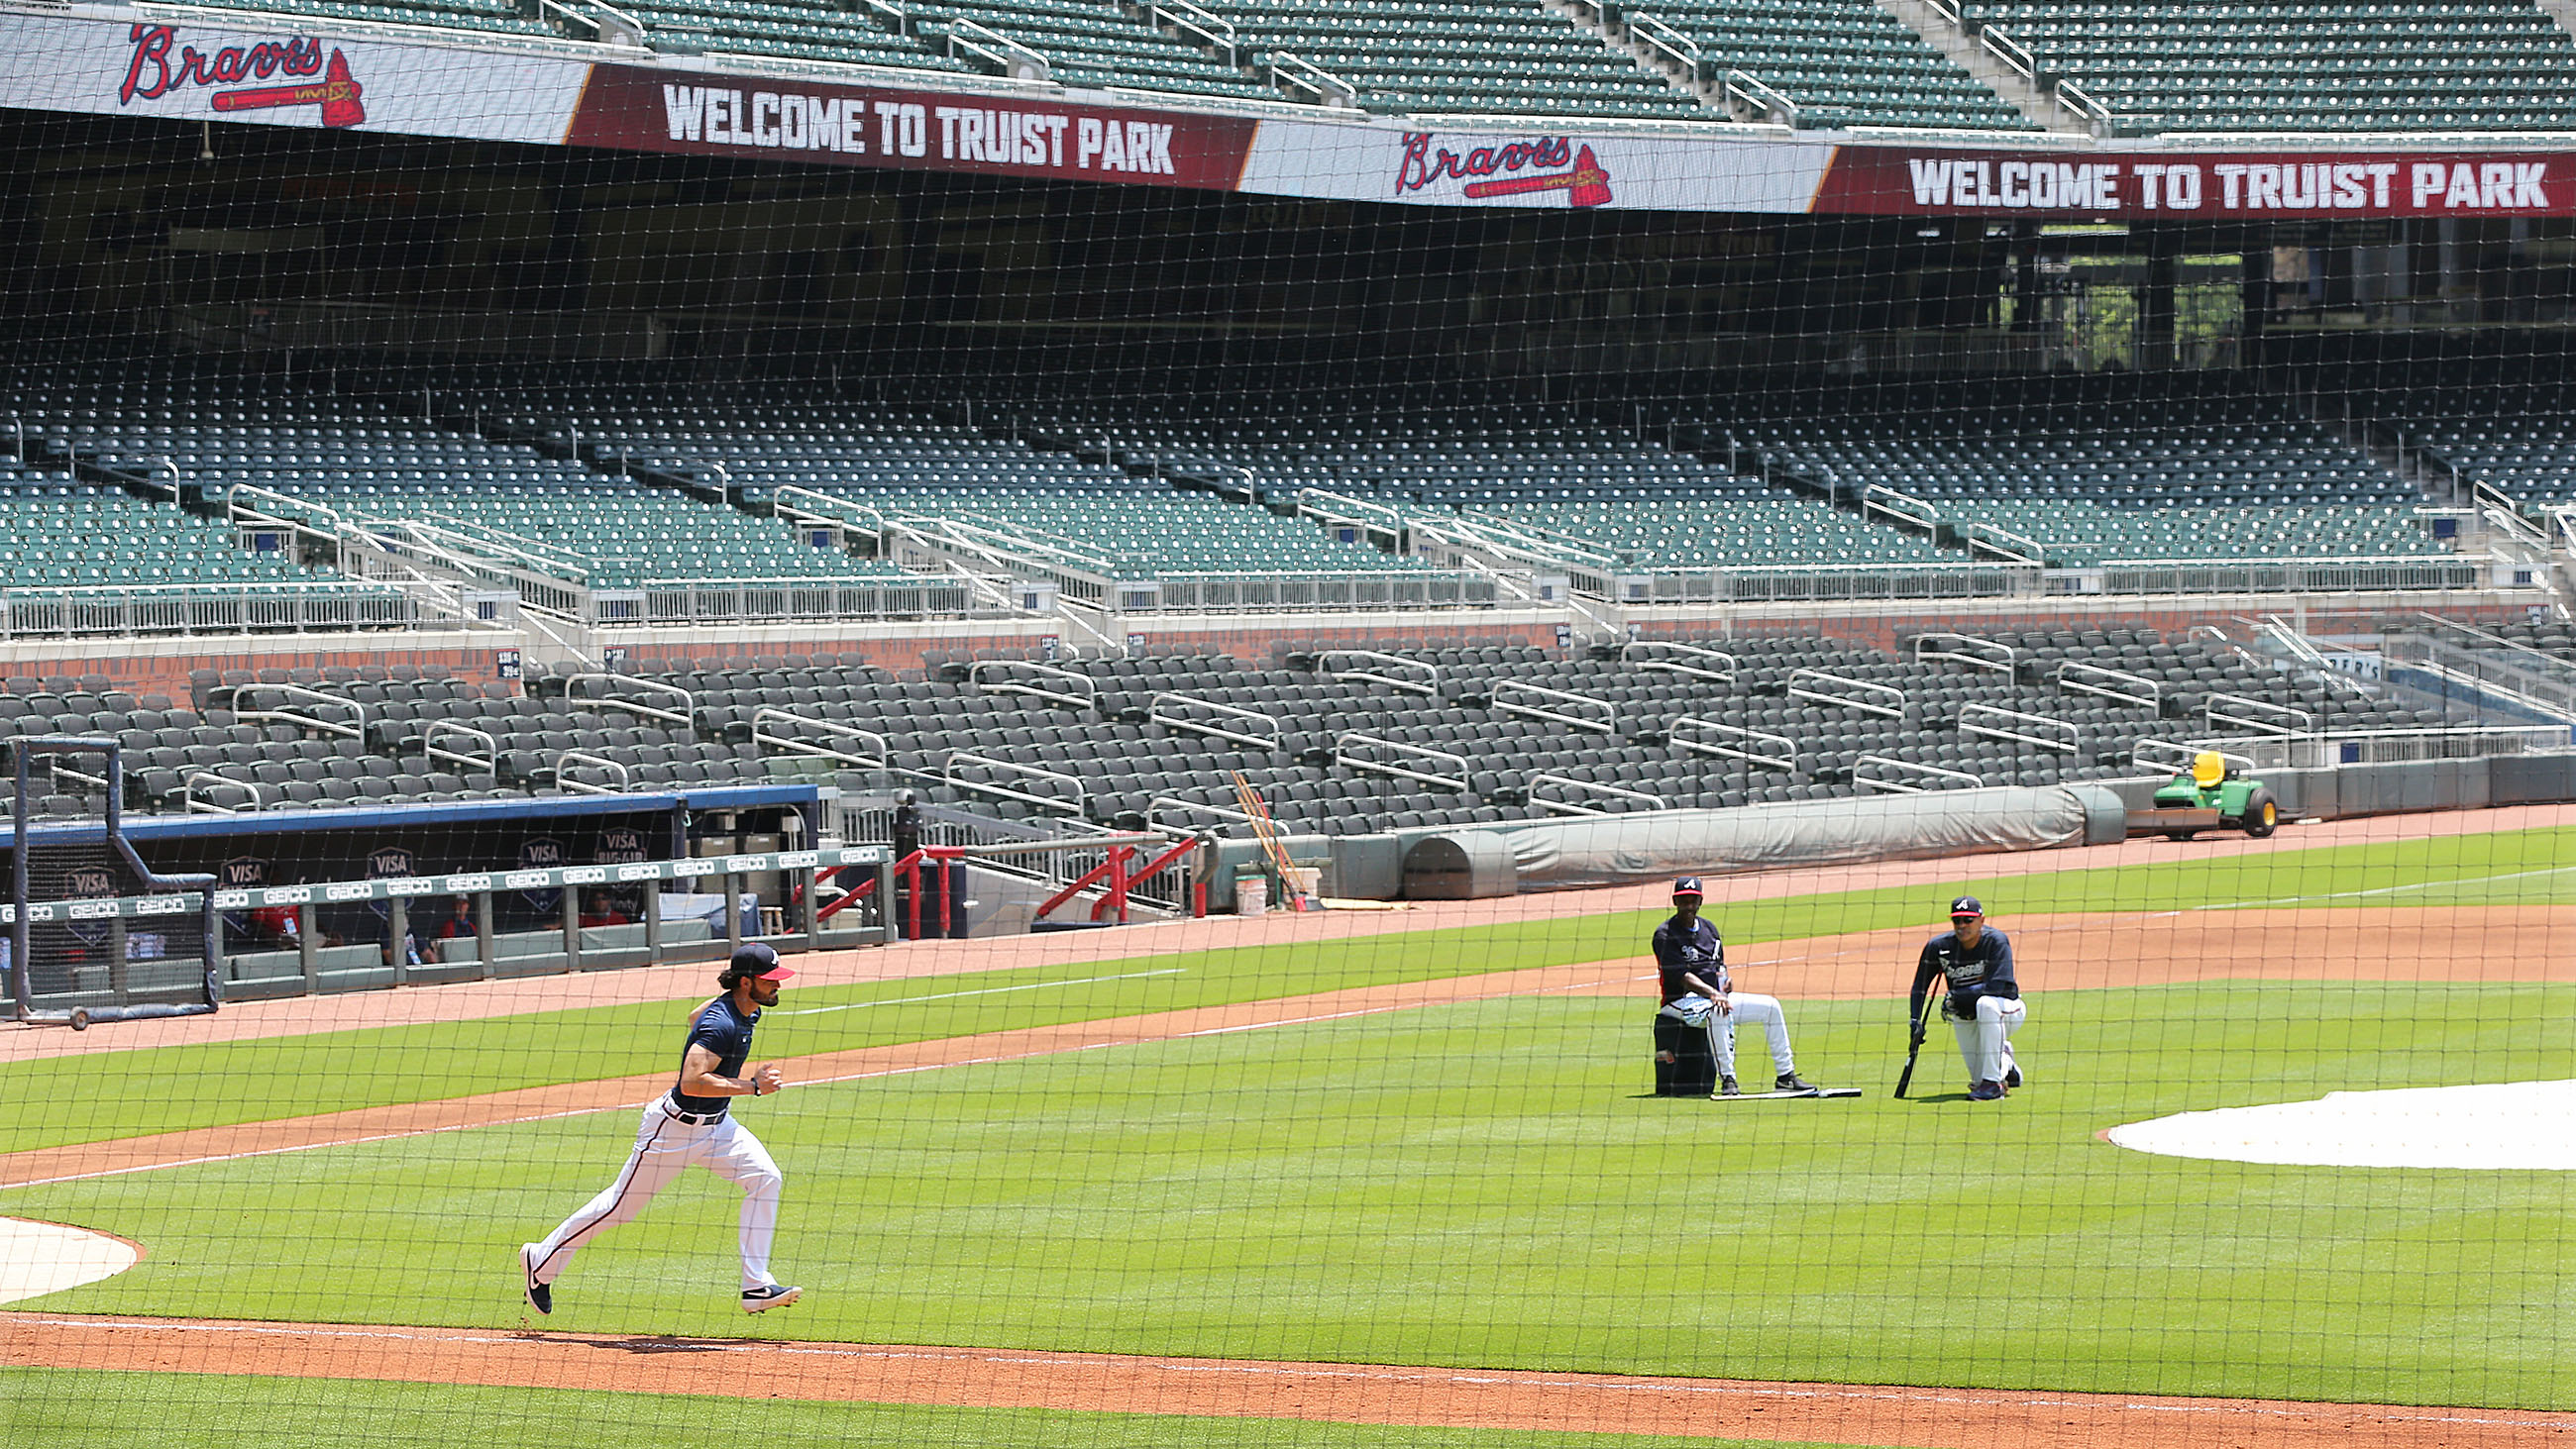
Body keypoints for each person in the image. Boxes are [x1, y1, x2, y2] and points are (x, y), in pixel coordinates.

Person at [520, 943, 805, 1315]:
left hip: (718, 1128)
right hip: (673, 1133)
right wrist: (751, 1087)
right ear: (747, 982)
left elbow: (692, 1017)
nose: (777, 986)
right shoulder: (722, 1024)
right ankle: (540, 1261)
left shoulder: (743, 1010)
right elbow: (691, 1081)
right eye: (769, 981)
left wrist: (723, 1001)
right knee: (618, 1208)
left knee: (766, 1178)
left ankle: (756, 1286)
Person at [1652, 876, 1811, 1097]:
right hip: (1678, 1002)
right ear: (1674, 901)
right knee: (1718, 1010)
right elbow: (1682, 976)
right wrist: (1714, 994)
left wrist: (1724, 982)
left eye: (1693, 900)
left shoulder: (1709, 929)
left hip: (1712, 997)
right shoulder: (1665, 934)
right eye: (1684, 900)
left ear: (1701, 901)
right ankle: (1728, 1079)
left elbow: (1718, 966)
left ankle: (1786, 1076)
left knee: (1771, 1007)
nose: (1688, 905)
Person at [1909, 895, 2026, 1102]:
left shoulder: (1996, 941)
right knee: (1977, 1079)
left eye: (1968, 920)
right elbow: (1920, 986)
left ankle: (1993, 1085)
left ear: (1981, 920)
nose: (1962, 925)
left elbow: (1996, 986)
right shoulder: (1939, 946)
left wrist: (1957, 995)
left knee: (1986, 1003)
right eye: (1957, 920)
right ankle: (2005, 1062)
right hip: (1965, 1013)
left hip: (2006, 1010)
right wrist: (1915, 1021)